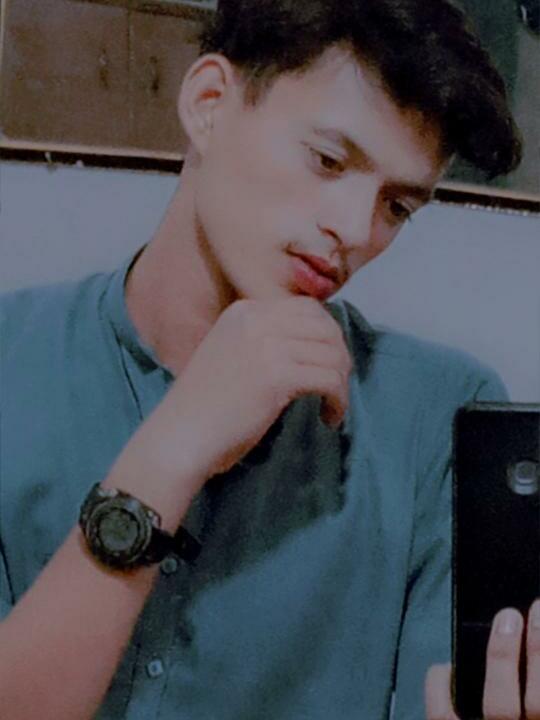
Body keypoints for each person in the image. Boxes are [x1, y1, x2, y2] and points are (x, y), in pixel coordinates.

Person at [0, 0, 537, 718]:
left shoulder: (434, 418)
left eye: (397, 207)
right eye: (328, 160)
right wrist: (168, 455)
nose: (355, 229)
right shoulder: (13, 360)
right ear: (209, 103)